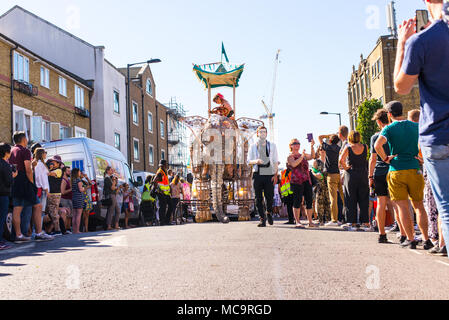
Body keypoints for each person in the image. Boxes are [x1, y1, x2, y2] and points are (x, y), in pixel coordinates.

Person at [394, 0, 449, 257]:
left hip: (438, 136)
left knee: (447, 207)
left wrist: (402, 43)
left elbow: (401, 87)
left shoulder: (422, 41)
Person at [374, 101, 433, 250]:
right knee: (419, 206)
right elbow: (425, 142)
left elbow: (377, 146)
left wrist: (386, 158)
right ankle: (426, 239)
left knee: (402, 207)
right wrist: (421, 157)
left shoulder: (388, 128)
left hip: (396, 170)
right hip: (414, 168)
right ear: (402, 111)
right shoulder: (415, 126)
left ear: (389, 114)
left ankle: (411, 239)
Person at [9, 132, 53, 242]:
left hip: (14, 181)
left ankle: (18, 235)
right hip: (25, 181)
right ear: (24, 139)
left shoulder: (11, 150)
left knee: (17, 208)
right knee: (38, 206)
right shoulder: (25, 151)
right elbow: (28, 169)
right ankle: (38, 233)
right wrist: (32, 183)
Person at [370, 109, 398, 243]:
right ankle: (403, 232)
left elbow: (373, 159)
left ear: (379, 122)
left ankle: (382, 234)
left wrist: (370, 176)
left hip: (379, 172)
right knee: (397, 202)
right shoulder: (394, 134)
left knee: (381, 202)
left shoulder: (375, 137)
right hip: (393, 169)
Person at [248, 126, 279, 228]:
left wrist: (275, 175)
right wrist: (256, 161)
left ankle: (269, 212)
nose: (262, 133)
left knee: (269, 196)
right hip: (257, 173)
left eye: (264, 132)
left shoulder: (272, 146)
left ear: (266, 133)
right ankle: (262, 219)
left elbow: (275, 161)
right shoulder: (253, 146)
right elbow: (248, 161)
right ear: (257, 134)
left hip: (268, 173)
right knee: (258, 197)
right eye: (260, 132)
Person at [339, 131, 370, 231]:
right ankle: (365, 223)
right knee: (364, 198)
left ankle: (352, 223)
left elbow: (341, 160)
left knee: (350, 199)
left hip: (351, 174)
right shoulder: (365, 147)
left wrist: (346, 168)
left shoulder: (348, 148)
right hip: (363, 174)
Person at [287, 138, 318, 229]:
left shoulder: (303, 155)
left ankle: (310, 222)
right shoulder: (290, 156)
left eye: (298, 143)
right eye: (295, 143)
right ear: (291, 146)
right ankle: (298, 222)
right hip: (296, 181)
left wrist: (312, 146)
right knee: (297, 201)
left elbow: (312, 156)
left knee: (309, 200)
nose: (297, 144)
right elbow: (294, 164)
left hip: (306, 180)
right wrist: (302, 157)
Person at [318, 134, 343, 226]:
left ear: (330, 140)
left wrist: (328, 135)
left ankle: (334, 220)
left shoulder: (327, 147)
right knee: (343, 197)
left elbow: (319, 137)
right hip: (338, 173)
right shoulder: (339, 148)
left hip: (330, 175)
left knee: (333, 199)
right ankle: (347, 218)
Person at [0, 143, 17, 250]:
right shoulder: (5, 165)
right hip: (3, 195)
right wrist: (13, 176)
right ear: (7, 153)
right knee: (1, 219)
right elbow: (8, 182)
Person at [46, 155, 64, 236]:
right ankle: (53, 230)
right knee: (51, 212)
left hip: (55, 194)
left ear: (58, 163)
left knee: (53, 212)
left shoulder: (59, 170)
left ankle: (57, 230)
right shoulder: (54, 169)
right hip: (52, 194)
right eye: (51, 161)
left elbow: (50, 174)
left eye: (54, 162)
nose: (52, 163)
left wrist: (46, 169)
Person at [33, 148, 50, 230]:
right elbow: (42, 178)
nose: (46, 154)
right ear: (42, 154)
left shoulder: (38, 164)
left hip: (40, 189)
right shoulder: (40, 164)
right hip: (42, 190)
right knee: (40, 212)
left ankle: (38, 230)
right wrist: (46, 190)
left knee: (38, 211)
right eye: (45, 152)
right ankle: (38, 230)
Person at [311, 159, 331, 225]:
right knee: (322, 204)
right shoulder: (318, 164)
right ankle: (323, 220)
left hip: (324, 187)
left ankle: (325, 220)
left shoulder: (326, 162)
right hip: (321, 187)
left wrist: (314, 173)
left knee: (325, 204)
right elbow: (317, 175)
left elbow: (319, 175)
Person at [152, 160, 171, 226]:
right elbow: (154, 181)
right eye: (166, 164)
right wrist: (159, 190)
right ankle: (162, 221)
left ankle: (166, 220)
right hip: (161, 193)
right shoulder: (160, 172)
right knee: (162, 207)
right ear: (163, 165)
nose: (167, 165)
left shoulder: (164, 172)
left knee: (170, 205)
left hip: (166, 193)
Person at [70, 168, 85, 234]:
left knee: (74, 215)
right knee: (79, 215)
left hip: (74, 197)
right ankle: (77, 230)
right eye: (79, 172)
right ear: (77, 173)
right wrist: (84, 188)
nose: (80, 173)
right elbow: (81, 190)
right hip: (79, 198)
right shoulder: (79, 180)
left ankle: (74, 230)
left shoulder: (72, 180)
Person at [60, 166, 73, 230]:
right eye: (68, 171)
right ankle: (64, 229)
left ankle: (68, 229)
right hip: (64, 200)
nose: (70, 172)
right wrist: (71, 189)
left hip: (69, 199)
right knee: (67, 215)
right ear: (64, 172)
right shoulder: (63, 180)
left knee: (70, 216)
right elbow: (62, 192)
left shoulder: (68, 179)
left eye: (70, 171)